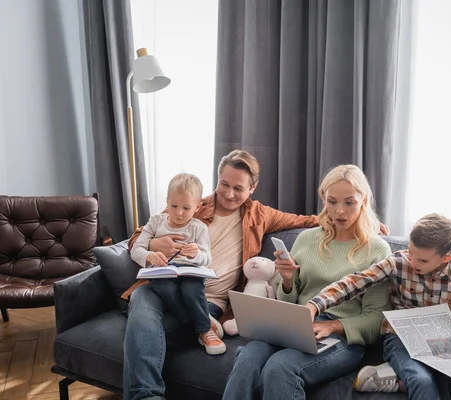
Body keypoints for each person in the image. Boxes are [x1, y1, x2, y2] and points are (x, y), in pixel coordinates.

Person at [122, 150, 320, 400]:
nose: (228, 194)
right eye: (224, 184)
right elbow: (138, 237)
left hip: (208, 301)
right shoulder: (193, 204)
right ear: (217, 179)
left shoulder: (260, 215)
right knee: (141, 298)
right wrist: (153, 245)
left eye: (238, 188)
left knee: (143, 328)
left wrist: (358, 220)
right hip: (163, 286)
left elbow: (304, 220)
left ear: (253, 188)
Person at [222, 164, 393, 400]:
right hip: (295, 325)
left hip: (342, 338)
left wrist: (331, 327)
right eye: (332, 201)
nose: (339, 211)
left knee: (280, 367)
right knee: (248, 359)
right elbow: (288, 300)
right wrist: (289, 281)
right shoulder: (307, 239)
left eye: (349, 202)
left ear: (363, 200)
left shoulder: (377, 249)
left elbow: (376, 320)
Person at [307, 213, 451, 400]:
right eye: (411, 252)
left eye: (422, 259)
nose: (413, 261)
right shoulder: (398, 261)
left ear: (447, 257)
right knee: (421, 381)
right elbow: (354, 282)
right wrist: (315, 305)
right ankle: (409, 379)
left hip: (447, 346)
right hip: (401, 338)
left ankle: (398, 381)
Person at [130, 173, 226, 355]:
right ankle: (201, 322)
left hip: (190, 272)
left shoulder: (199, 228)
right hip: (162, 271)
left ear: (197, 207)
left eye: (186, 208)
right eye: (173, 206)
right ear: (167, 201)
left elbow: (207, 259)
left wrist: (196, 254)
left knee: (191, 290)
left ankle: (205, 330)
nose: (179, 212)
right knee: (166, 289)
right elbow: (136, 250)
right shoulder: (155, 222)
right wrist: (150, 256)